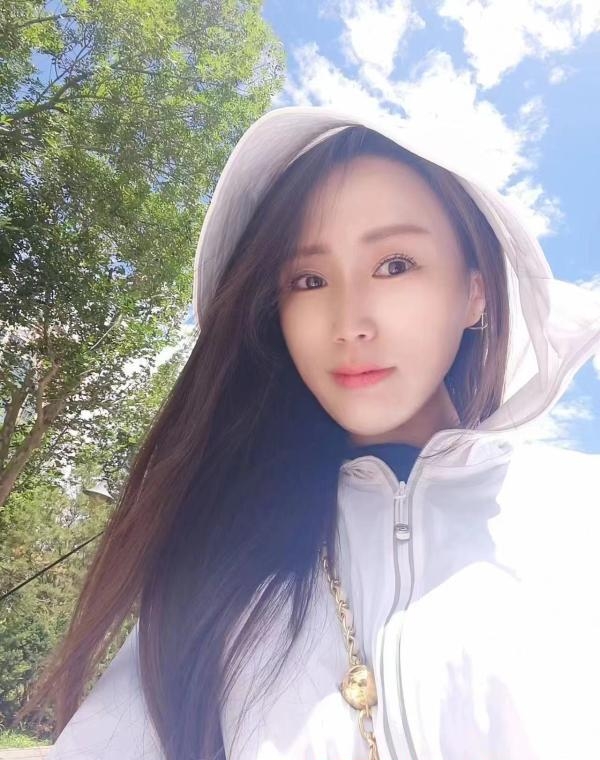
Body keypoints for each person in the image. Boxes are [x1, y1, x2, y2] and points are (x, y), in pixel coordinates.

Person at [19, 105, 600, 760]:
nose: (349, 323)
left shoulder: (578, 513)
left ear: (475, 293)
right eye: (310, 279)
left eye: (395, 264)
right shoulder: (219, 569)